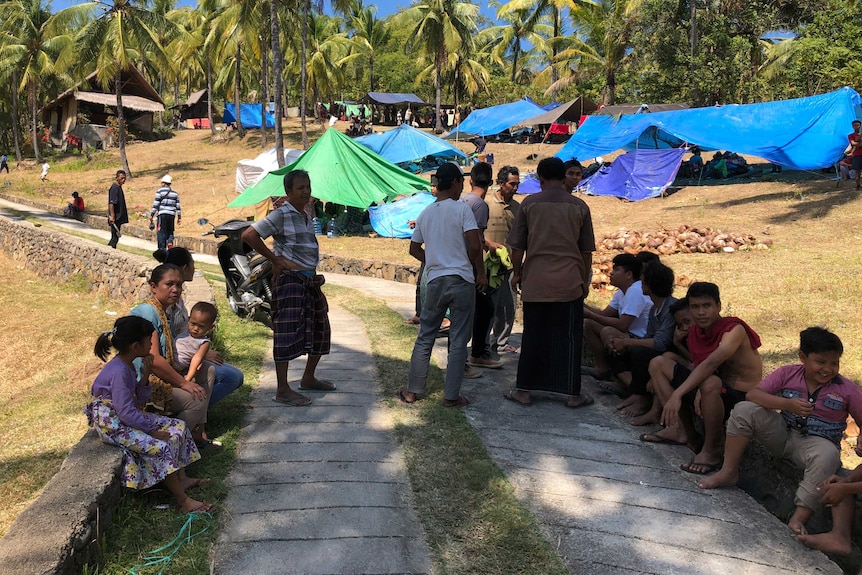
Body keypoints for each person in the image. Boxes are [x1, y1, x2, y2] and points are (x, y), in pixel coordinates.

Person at [698, 327, 862, 539]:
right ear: (803, 357)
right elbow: (753, 394)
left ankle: (799, 516)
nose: (828, 369)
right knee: (744, 411)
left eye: (834, 363)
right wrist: (786, 404)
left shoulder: (846, 389)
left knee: (828, 456)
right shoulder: (788, 373)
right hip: (783, 433)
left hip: (816, 444)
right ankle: (729, 471)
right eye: (821, 362)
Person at [85, 315, 212, 513]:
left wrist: (145, 376)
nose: (152, 345)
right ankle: (183, 501)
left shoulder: (127, 364)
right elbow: (125, 412)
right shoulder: (119, 371)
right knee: (160, 446)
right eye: (148, 341)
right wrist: (150, 432)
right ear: (136, 346)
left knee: (178, 427)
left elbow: (137, 401)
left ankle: (183, 479)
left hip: (125, 415)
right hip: (113, 424)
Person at [639, 282, 763, 475]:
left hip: (741, 396)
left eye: (707, 306)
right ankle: (680, 430)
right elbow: (699, 364)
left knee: (710, 383)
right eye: (695, 307)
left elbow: (711, 363)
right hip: (713, 386)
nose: (701, 312)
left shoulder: (734, 330)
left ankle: (711, 450)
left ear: (719, 306)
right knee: (658, 364)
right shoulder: (696, 331)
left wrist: (677, 395)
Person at [505, 157, 596, 408]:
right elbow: (587, 251)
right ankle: (572, 394)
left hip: (536, 281)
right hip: (569, 282)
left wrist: (517, 272)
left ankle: (524, 390)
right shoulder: (579, 207)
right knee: (569, 339)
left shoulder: (529, 204)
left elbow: (517, 247)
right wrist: (584, 279)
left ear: (540, 178)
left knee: (533, 336)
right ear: (563, 176)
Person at [241, 169, 334, 407]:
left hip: (310, 280)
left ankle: (308, 377)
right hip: (291, 281)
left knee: (321, 328)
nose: (306, 191)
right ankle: (282, 389)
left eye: (308, 186)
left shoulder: (306, 213)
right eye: (300, 187)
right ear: (288, 192)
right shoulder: (282, 214)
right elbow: (250, 234)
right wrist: (275, 260)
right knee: (286, 332)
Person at [398, 163, 486, 407]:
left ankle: (413, 390)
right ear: (457, 182)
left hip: (435, 281)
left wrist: (433, 260)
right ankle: (451, 395)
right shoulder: (463, 210)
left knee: (426, 335)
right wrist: (479, 271)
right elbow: (476, 244)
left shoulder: (426, 213)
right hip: (462, 281)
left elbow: (414, 248)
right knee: (458, 340)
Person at [130, 264, 214, 443]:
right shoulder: (147, 313)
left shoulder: (165, 313)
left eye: (179, 285)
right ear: (153, 287)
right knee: (196, 401)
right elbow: (153, 360)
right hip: (143, 383)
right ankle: (168, 445)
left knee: (208, 369)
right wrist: (183, 382)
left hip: (162, 373)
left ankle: (198, 430)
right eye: (169, 284)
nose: (176, 290)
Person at [154, 247, 245, 405]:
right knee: (232, 377)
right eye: (193, 265)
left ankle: (197, 408)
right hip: (180, 359)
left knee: (233, 375)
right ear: (185, 268)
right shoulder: (164, 305)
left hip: (191, 351)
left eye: (178, 285)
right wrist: (201, 353)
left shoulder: (178, 299)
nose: (175, 289)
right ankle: (195, 405)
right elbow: (169, 340)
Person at [608, 261, 678, 416]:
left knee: (639, 352)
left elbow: (660, 343)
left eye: (643, 279)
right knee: (618, 351)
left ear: (651, 284)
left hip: (671, 356)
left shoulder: (671, 308)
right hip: (658, 352)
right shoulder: (655, 308)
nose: (640, 283)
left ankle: (642, 398)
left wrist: (627, 342)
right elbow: (649, 336)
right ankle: (635, 392)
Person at [583, 253, 653, 381]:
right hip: (629, 334)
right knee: (589, 324)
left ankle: (624, 379)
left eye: (616, 270)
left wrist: (589, 314)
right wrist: (580, 305)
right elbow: (604, 314)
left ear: (629, 274)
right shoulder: (621, 292)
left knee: (608, 332)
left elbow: (623, 325)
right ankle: (603, 369)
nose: (611, 273)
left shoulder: (635, 291)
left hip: (641, 338)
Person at [460, 162, 502, 370]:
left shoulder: (460, 200)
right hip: (469, 266)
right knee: (484, 308)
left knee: (474, 310)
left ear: (470, 180)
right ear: (492, 182)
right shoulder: (480, 205)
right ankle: (474, 355)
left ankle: (473, 355)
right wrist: (481, 273)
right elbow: (475, 239)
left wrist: (489, 244)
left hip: (455, 263)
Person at [485, 165, 520, 355]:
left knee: (508, 307)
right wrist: (489, 244)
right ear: (500, 183)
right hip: (489, 265)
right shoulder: (487, 204)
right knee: (488, 307)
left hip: (509, 266)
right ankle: (482, 344)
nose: (515, 188)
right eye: (512, 184)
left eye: (517, 184)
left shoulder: (518, 208)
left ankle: (500, 343)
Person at [174, 302, 218, 381]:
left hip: (178, 369)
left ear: (210, 327)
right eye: (193, 324)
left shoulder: (204, 342)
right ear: (188, 319)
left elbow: (197, 359)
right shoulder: (183, 332)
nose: (196, 329)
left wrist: (188, 378)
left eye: (201, 326)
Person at [149, 174, 182, 251]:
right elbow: (178, 206)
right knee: (170, 230)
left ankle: (162, 248)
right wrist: (179, 217)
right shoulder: (175, 193)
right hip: (171, 215)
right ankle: (170, 242)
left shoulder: (160, 191)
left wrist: (152, 214)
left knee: (161, 231)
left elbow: (156, 204)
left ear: (164, 183)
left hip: (162, 214)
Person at [107, 170, 128, 249]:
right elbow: (111, 203)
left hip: (119, 217)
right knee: (115, 237)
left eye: (124, 178)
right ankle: (110, 249)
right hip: (115, 217)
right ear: (117, 178)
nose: (123, 180)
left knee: (116, 237)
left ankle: (111, 248)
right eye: (122, 178)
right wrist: (112, 216)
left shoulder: (119, 187)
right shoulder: (114, 188)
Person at [848, 119, 862, 190]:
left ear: (860, 126)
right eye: (855, 125)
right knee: (858, 171)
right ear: (852, 126)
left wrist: (858, 144)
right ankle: (858, 186)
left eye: (858, 125)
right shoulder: (850, 135)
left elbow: (855, 144)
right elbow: (853, 143)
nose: (856, 126)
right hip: (857, 155)